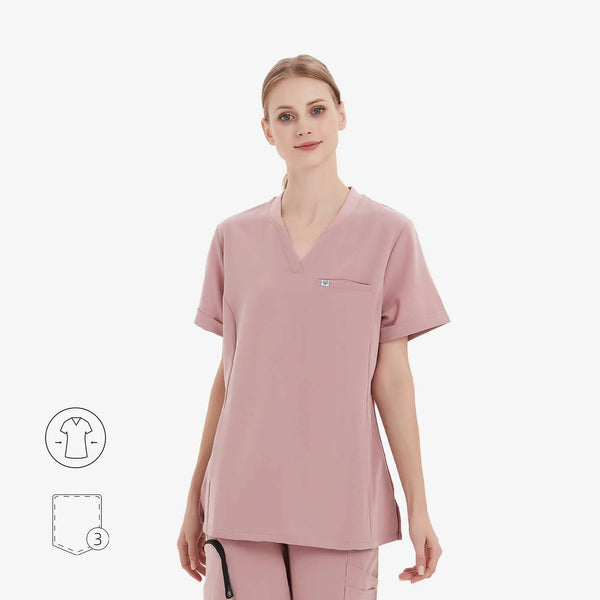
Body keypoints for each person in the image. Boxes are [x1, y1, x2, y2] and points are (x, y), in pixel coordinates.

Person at [177, 54, 451, 599]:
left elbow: (393, 378)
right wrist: (194, 496)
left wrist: (419, 505)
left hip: (341, 501)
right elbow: (230, 376)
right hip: (241, 497)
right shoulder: (234, 237)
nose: (303, 126)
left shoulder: (389, 233)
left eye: (316, 110)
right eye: (286, 116)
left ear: (341, 116)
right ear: (267, 131)